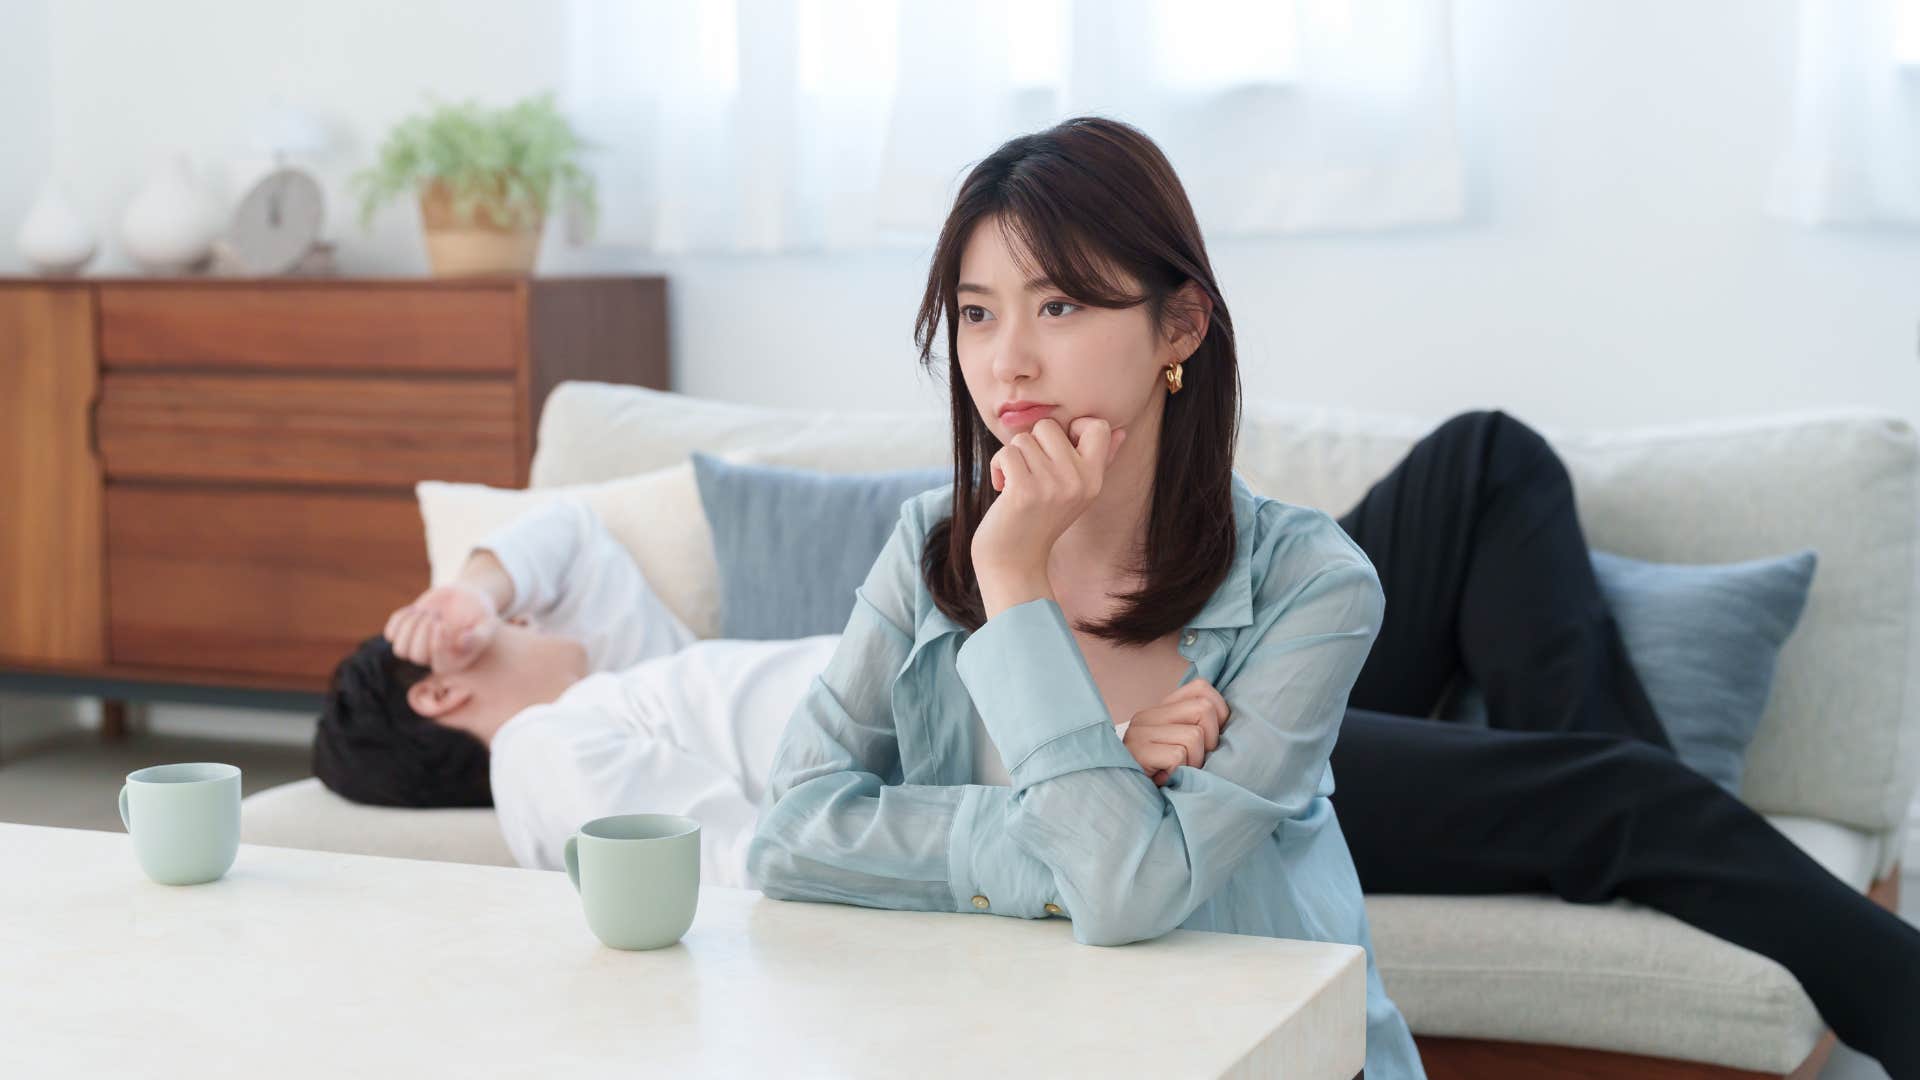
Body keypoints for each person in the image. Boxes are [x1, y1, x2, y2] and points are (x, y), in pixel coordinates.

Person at [310, 116, 1920, 1079]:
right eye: (977, 310)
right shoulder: (919, 564)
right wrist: (1042, 670)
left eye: (1062, 303)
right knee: (1610, 791)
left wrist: (469, 589)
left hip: (1260, 930)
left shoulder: (1310, 577)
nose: (1005, 358)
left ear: (1179, 326)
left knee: (1514, 545)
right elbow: (799, 834)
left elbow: (1131, 892)